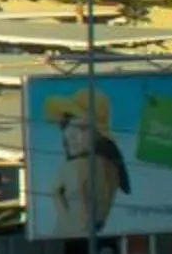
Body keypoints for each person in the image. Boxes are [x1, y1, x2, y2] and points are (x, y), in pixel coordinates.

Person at [41, 87, 129, 238]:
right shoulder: (111, 164)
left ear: (98, 135)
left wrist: (57, 195)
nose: (72, 135)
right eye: (68, 125)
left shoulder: (76, 167)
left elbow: (79, 227)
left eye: (82, 128)